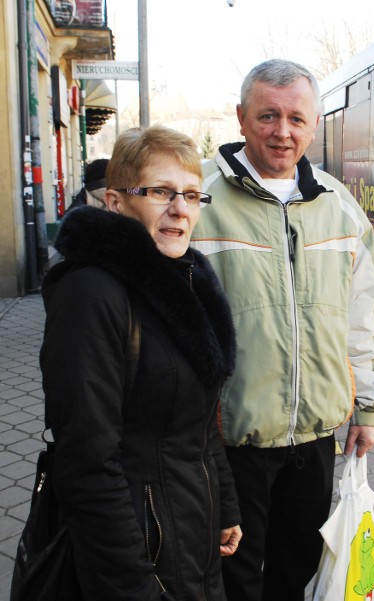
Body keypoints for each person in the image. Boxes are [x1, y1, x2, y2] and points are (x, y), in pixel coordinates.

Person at [191, 59, 374, 601]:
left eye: (297, 118)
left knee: (297, 564)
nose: (283, 131)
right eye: (268, 116)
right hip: (233, 437)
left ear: (315, 123)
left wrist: (369, 411)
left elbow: (364, 319)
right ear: (241, 118)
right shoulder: (200, 204)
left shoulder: (340, 207)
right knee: (232, 575)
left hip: (314, 437)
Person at [38, 125, 242, 600]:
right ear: (115, 202)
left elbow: (200, 417)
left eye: (191, 195)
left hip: (192, 521)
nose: (180, 210)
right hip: (139, 543)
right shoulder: (91, 294)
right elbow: (87, 463)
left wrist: (225, 506)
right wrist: (133, 587)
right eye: (160, 192)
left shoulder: (185, 279)